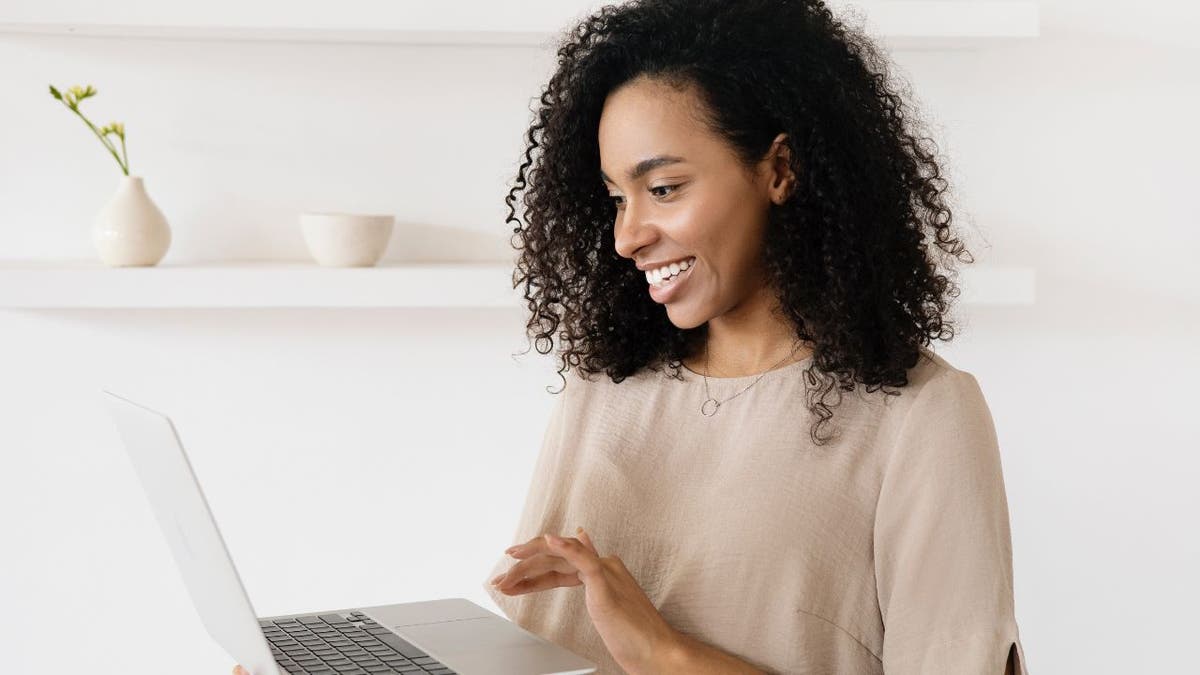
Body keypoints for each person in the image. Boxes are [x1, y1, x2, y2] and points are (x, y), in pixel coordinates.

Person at [233, 0, 1029, 673]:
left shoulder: (919, 415)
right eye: (617, 197)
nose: (629, 235)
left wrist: (664, 652)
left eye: (665, 187)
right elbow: (539, 651)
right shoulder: (607, 389)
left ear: (780, 170)